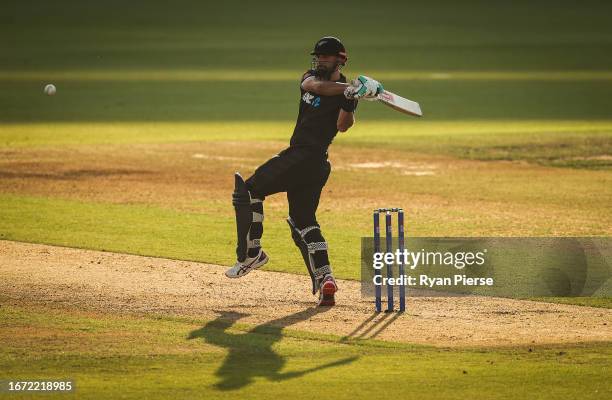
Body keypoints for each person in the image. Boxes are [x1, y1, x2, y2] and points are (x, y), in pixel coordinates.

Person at [227, 36, 383, 306]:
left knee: (249, 191)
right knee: (303, 221)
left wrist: (350, 99)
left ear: (341, 59)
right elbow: (315, 86)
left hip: (307, 157)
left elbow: (344, 125)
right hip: (312, 164)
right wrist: (350, 88)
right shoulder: (313, 79)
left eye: (326, 57)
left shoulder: (347, 94)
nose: (320, 60)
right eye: (318, 57)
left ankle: (250, 254)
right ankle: (326, 280)